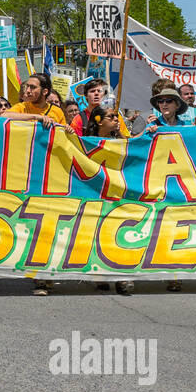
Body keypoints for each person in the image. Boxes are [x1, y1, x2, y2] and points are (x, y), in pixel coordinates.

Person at [81, 107, 135, 295]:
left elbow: (137, 151)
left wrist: (120, 132)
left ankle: (121, 277)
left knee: (119, 234)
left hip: (117, 194)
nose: (115, 119)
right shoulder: (84, 142)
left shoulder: (120, 141)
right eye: (111, 116)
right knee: (96, 235)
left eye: (117, 116)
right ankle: (100, 275)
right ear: (98, 121)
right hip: (93, 194)